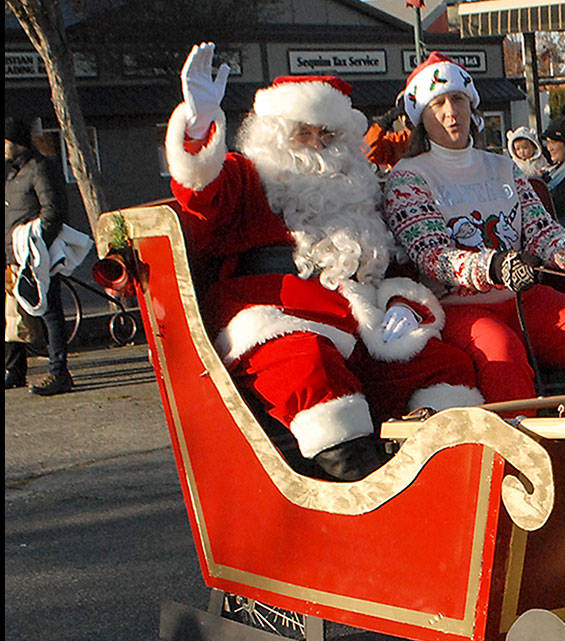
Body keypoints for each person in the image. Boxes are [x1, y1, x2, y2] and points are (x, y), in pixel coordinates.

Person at [164, 43, 481, 481]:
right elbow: (202, 193)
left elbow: (394, 260)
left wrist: (402, 305)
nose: (317, 146)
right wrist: (199, 127)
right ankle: (362, 485)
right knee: (310, 365)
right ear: (275, 137)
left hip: (361, 319)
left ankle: (445, 476)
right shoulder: (250, 177)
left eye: (328, 136)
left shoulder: (360, 187)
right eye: (303, 134)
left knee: (445, 365)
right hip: (280, 319)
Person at [382, 53, 565, 404]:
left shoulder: (503, 167)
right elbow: (433, 257)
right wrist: (494, 266)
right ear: (421, 116)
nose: (451, 112)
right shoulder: (408, 177)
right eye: (438, 104)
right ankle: (517, 436)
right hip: (457, 307)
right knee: (502, 351)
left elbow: (540, 231)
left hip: (520, 298)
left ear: (471, 105)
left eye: (458, 99)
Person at [6, 116, 73, 395]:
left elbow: (53, 210)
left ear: (15, 142)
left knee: (49, 312)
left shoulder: (40, 167)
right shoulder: (12, 172)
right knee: (12, 314)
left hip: (33, 255)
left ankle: (59, 372)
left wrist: (36, 247)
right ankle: (15, 370)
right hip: (12, 255)